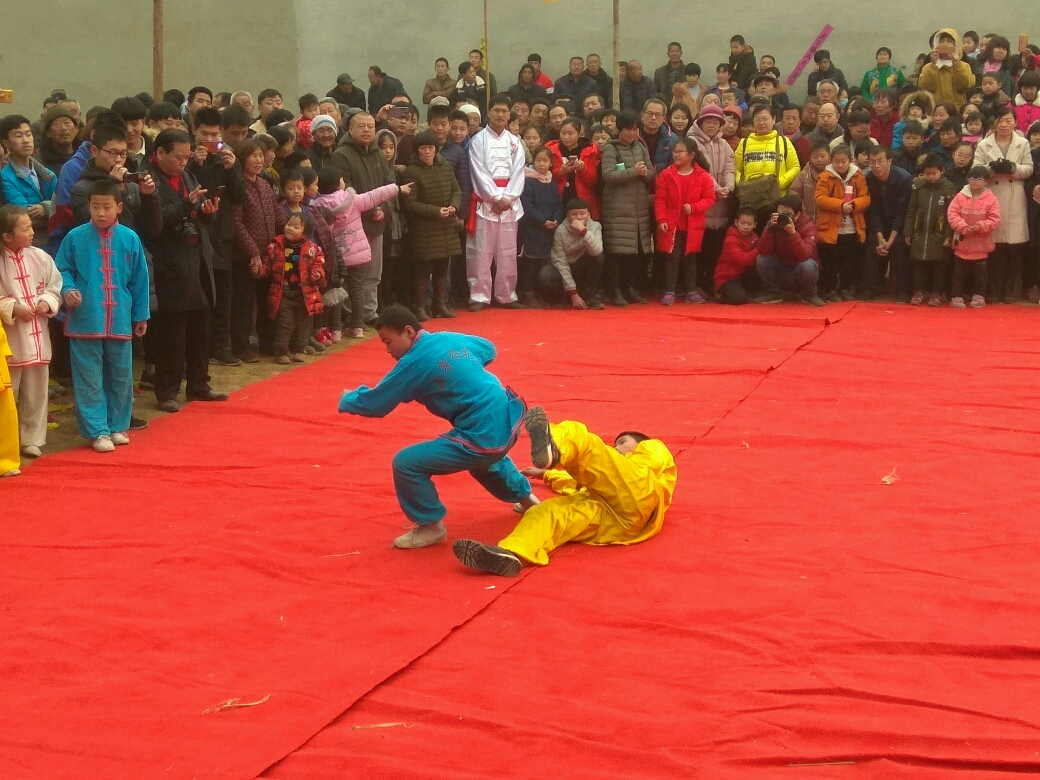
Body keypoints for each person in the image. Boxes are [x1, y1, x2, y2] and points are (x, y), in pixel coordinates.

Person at [338, 306, 535, 550]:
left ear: (408, 332)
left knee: (406, 463)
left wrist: (346, 399)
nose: (387, 350)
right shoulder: (448, 338)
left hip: (483, 437)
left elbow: (375, 404)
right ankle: (529, 501)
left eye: (387, 341)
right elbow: (488, 349)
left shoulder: (413, 363)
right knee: (486, 455)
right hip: (511, 418)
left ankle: (431, 526)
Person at [452, 407, 676, 575]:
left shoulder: (651, 450)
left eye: (623, 442)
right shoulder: (609, 477)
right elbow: (575, 484)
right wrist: (547, 475)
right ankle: (512, 552)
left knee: (586, 443)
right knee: (546, 512)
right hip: (618, 524)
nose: (616, 446)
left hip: (642, 494)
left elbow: (603, 464)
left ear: (640, 443)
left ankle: (556, 446)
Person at [54, 179, 150, 452]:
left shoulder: (130, 238)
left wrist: (140, 315)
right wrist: (67, 289)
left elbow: (140, 280)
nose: (100, 213)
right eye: (95, 207)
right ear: (88, 207)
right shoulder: (75, 237)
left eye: (106, 207)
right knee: (88, 377)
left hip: (120, 316)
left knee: (121, 375)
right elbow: (61, 269)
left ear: (119, 207)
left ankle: (117, 425)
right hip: (86, 316)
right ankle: (97, 430)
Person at [146, 129, 227, 412]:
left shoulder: (188, 176)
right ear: (159, 153)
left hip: (197, 260)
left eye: (187, 157)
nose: (183, 162)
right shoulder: (148, 180)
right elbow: (152, 224)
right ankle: (167, 390)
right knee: (173, 333)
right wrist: (185, 204)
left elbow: (198, 213)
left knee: (200, 328)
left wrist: (207, 211)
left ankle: (198, 384)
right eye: (178, 157)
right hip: (169, 263)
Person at [313, 167, 408, 338]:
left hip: (334, 258)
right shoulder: (353, 200)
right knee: (358, 291)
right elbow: (375, 195)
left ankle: (335, 330)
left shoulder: (316, 206)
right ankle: (357, 326)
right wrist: (397, 188)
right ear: (338, 183)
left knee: (335, 292)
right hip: (357, 255)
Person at [0, 205, 63, 459]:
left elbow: (55, 285)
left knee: (37, 391)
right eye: (24, 228)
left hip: (38, 336)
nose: (31, 231)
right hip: (10, 339)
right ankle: (6, 440)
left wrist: (47, 301)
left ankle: (32, 439)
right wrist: (11, 307)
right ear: (7, 236)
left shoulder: (40, 256)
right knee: (8, 393)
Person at [329, 111, 397, 326]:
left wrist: (383, 208)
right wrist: (369, 210)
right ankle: (351, 313)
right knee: (352, 273)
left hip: (377, 220)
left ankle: (369, 312)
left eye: (370, 126)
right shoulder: (341, 154)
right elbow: (344, 191)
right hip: (352, 224)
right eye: (362, 126)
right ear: (350, 129)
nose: (367, 130)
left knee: (373, 272)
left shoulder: (377, 153)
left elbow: (389, 182)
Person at [466, 94, 527, 311]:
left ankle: (506, 294)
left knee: (508, 251)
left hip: (510, 203)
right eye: (496, 110)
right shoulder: (478, 140)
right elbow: (478, 172)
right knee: (481, 251)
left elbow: (519, 171)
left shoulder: (515, 142)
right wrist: (495, 197)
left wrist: (508, 198)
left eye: (504, 111)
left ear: (509, 114)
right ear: (488, 112)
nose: (500, 114)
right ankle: (479, 296)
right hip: (486, 201)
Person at [973, 106, 1033, 302]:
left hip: (1015, 197)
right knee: (994, 248)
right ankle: (994, 290)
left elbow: (1029, 169)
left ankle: (1009, 291)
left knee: (1014, 248)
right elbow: (975, 169)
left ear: (1015, 122)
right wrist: (990, 169)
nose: (1004, 124)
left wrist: (1012, 168)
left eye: (1008, 120)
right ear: (994, 123)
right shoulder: (984, 144)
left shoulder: (1022, 143)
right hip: (992, 196)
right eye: (1001, 120)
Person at [400, 130, 461, 321]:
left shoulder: (444, 166)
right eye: (423, 148)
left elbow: (456, 190)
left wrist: (454, 206)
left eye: (431, 147)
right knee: (423, 270)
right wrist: (435, 211)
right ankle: (419, 306)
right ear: (417, 150)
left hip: (446, 226)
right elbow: (410, 203)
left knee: (443, 266)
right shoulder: (412, 171)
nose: (427, 152)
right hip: (424, 228)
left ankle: (440, 304)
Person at [254, 212, 325, 364]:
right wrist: (259, 271)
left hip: (305, 295)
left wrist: (317, 273)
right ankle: (281, 352)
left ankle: (299, 350)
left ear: (305, 233)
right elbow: (267, 265)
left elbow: (318, 264)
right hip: (283, 294)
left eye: (296, 227)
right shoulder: (275, 246)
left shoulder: (312, 248)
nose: (290, 228)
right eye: (288, 224)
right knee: (285, 324)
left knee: (303, 325)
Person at [601, 109, 656, 306]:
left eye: (635, 129)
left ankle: (630, 288)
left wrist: (643, 173)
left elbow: (651, 172)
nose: (632, 133)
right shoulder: (611, 148)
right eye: (628, 130)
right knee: (617, 252)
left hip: (638, 208)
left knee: (635, 252)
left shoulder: (640, 146)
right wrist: (634, 172)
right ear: (619, 129)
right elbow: (608, 175)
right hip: (617, 208)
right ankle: (614, 290)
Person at [655, 138, 716, 304]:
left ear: (692, 155)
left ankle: (691, 290)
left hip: (693, 224)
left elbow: (710, 198)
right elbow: (660, 200)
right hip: (672, 224)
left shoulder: (703, 176)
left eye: (680, 151)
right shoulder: (666, 175)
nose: (676, 155)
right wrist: (661, 219)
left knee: (691, 258)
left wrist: (694, 207)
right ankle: (669, 291)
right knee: (672, 258)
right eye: (675, 151)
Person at [689, 104, 736, 294]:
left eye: (715, 121)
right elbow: (698, 169)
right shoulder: (692, 142)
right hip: (701, 202)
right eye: (708, 120)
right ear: (700, 122)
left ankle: (711, 284)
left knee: (716, 249)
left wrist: (728, 186)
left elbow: (729, 168)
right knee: (699, 248)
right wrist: (716, 188)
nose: (711, 124)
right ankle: (696, 284)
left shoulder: (724, 144)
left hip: (721, 205)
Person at [814, 144, 870, 302]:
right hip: (830, 227)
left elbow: (866, 198)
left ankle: (846, 288)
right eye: (837, 161)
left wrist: (853, 205)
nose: (840, 165)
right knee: (830, 261)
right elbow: (819, 199)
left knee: (849, 261)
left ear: (850, 161)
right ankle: (830, 289)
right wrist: (840, 206)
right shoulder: (825, 177)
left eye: (843, 161)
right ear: (831, 161)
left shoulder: (858, 176)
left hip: (852, 227)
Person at [904, 153, 957, 306]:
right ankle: (918, 292)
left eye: (934, 173)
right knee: (918, 266)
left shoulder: (949, 189)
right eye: (927, 173)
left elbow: (952, 214)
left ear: (942, 171)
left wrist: (949, 235)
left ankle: (936, 293)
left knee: (939, 267)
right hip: (919, 233)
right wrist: (908, 232)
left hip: (940, 234)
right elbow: (911, 211)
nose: (930, 176)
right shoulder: (918, 189)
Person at [864, 145, 913, 301]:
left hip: (900, 225)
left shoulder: (904, 178)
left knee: (900, 244)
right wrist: (880, 238)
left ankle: (902, 290)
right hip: (879, 225)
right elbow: (873, 211)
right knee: (871, 242)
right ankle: (869, 288)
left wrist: (889, 240)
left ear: (889, 161)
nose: (876, 166)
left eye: (880, 161)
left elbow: (902, 212)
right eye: (872, 162)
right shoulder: (868, 178)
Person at [947, 166, 1001, 308]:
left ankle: (979, 296)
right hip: (962, 243)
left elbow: (994, 219)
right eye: (972, 178)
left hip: (981, 245)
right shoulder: (960, 196)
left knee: (980, 276)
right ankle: (956, 296)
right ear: (967, 179)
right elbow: (952, 214)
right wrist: (963, 227)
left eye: (979, 179)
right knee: (958, 274)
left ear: (986, 181)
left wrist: (979, 227)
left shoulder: (991, 199)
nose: (975, 182)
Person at [536, 198, 604, 310]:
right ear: (567, 215)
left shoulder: (595, 226)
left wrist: (583, 231)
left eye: (582, 213)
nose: (579, 217)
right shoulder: (561, 230)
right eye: (574, 214)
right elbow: (560, 262)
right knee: (545, 274)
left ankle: (590, 295)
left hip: (582, 267)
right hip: (565, 266)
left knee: (598, 257)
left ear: (588, 213)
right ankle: (560, 298)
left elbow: (597, 250)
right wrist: (573, 294)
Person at [0, 115, 56, 248]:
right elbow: (25, 213)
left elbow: (64, 201)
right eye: (19, 136)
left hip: (52, 235)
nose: (26, 140)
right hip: (28, 241)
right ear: (6, 143)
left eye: (28, 134)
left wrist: (46, 207)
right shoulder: (5, 176)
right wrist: (53, 211)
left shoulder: (46, 172)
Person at [755, 194, 822, 305]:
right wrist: (769, 230)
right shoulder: (774, 224)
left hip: (801, 270)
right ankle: (773, 293)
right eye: (780, 213)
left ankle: (810, 294)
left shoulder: (809, 227)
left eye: (787, 214)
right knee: (761, 259)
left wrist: (793, 233)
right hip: (782, 268)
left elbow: (804, 255)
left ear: (798, 214)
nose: (783, 217)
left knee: (808, 264)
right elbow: (763, 251)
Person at [519, 147, 563, 309]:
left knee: (542, 262)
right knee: (530, 262)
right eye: (538, 160)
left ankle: (538, 294)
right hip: (532, 228)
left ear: (551, 163)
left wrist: (556, 219)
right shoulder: (528, 181)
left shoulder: (551, 182)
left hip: (548, 229)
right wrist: (543, 221)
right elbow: (527, 206)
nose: (541, 164)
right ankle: (527, 293)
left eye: (545, 161)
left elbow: (559, 203)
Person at [918, 29, 975, 111]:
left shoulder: (964, 66)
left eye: (949, 41)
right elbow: (927, 88)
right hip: (935, 112)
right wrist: (933, 65)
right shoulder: (928, 67)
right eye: (941, 41)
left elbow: (964, 86)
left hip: (957, 111)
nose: (945, 44)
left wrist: (957, 66)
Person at [714, 207, 760, 304]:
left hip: (741, 277)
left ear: (755, 225)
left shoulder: (754, 237)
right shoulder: (730, 239)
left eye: (749, 224)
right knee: (740, 299)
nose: (745, 227)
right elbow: (744, 259)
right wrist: (760, 249)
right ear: (736, 222)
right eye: (742, 223)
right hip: (726, 279)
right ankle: (718, 296)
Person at [790, 140, 830, 224]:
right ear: (810, 158)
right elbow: (794, 193)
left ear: (830, 156)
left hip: (830, 220)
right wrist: (803, 210)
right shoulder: (803, 175)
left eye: (822, 156)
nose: (819, 160)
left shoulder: (835, 174)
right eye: (815, 157)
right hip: (808, 220)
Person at [35, 105, 79, 177]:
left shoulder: (86, 154)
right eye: (57, 124)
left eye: (67, 122)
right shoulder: (39, 161)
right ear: (48, 132)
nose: (63, 128)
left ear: (76, 129)